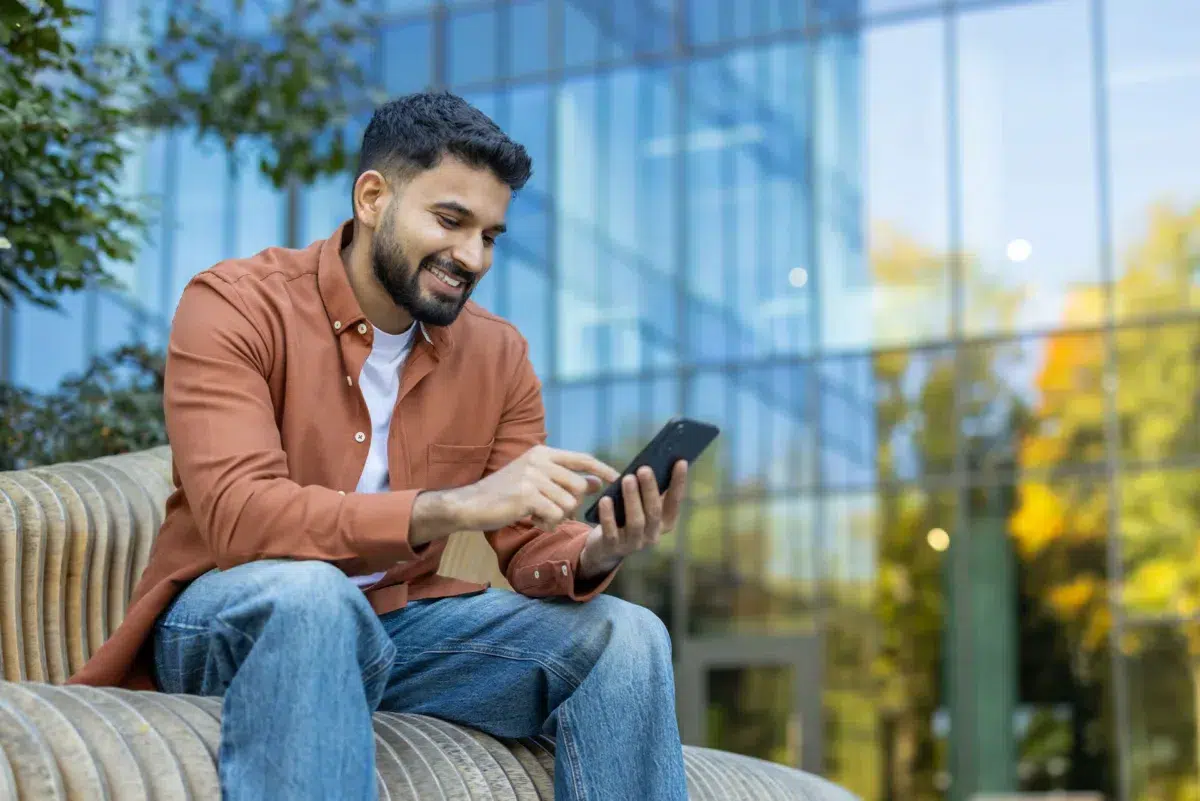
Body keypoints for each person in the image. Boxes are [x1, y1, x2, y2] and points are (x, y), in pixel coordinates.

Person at [68, 91, 692, 801]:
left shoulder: (499, 354)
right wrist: (447, 506)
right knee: (312, 595)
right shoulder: (235, 304)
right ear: (372, 198)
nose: (471, 256)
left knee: (628, 636)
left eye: (490, 235)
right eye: (450, 221)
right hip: (232, 622)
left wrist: (598, 548)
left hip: (401, 632)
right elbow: (243, 519)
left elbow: (525, 545)